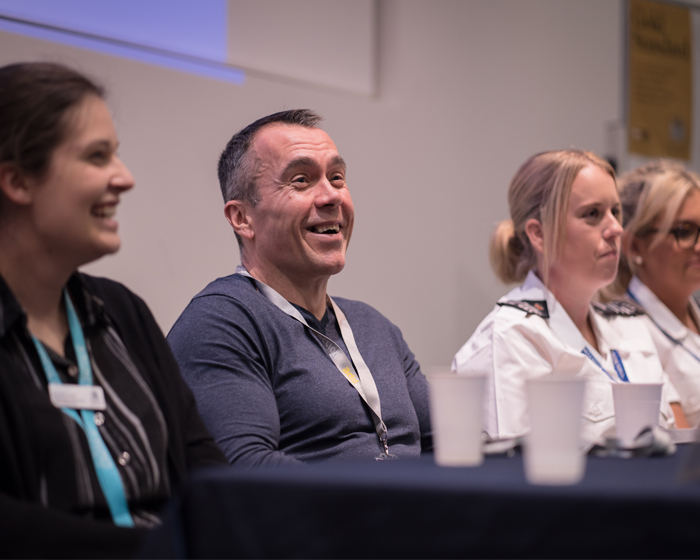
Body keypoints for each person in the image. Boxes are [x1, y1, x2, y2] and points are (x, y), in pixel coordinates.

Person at [0, 62, 226, 558]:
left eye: (116, 155)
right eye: (97, 157)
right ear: (18, 182)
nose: (124, 178)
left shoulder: (123, 313)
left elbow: (204, 468)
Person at [167, 109, 432, 466]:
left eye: (337, 178)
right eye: (301, 181)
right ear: (242, 218)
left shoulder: (373, 326)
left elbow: (452, 445)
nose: (331, 196)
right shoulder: (222, 322)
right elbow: (247, 469)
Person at [452, 150, 682, 445]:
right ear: (539, 235)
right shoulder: (512, 337)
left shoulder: (630, 326)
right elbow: (515, 476)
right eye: (593, 214)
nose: (616, 229)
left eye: (616, 211)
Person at [606, 160, 700, 427]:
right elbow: (678, 445)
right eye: (684, 232)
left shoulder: (692, 314)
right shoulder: (626, 335)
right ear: (634, 245)